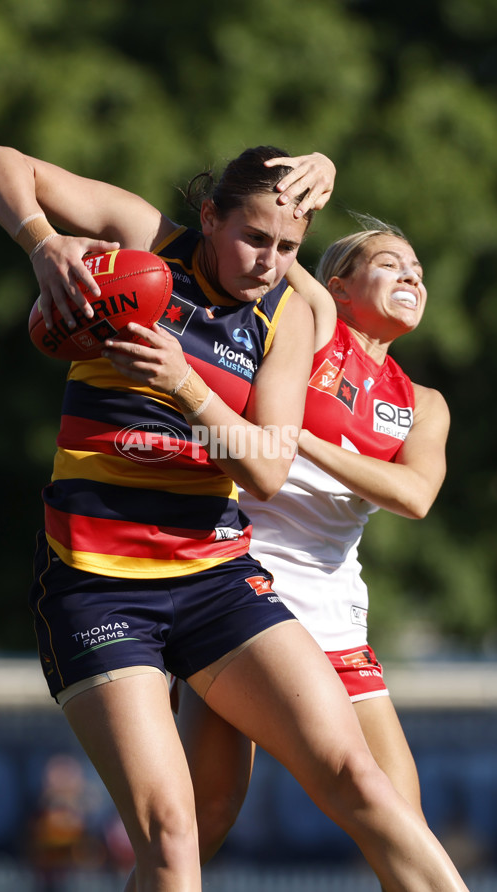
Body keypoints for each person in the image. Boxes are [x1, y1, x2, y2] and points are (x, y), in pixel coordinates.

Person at [0, 141, 468, 892]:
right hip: (98, 584)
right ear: (209, 216)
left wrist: (183, 386)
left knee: (359, 779)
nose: (269, 260)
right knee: (176, 831)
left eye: (288, 247)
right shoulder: (148, 244)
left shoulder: (287, 316)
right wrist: (44, 247)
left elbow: (264, 466)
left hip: (215, 576)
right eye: (254, 238)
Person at [166, 209, 450, 883]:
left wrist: (300, 438)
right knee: (205, 816)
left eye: (418, 270)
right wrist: (306, 179)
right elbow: (270, 244)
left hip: (334, 608)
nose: (411, 275)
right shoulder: (315, 328)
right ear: (340, 287)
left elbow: (414, 495)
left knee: (400, 818)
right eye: (390, 264)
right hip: (240, 588)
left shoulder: (425, 402)